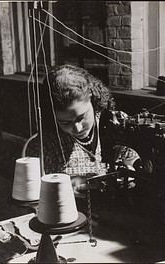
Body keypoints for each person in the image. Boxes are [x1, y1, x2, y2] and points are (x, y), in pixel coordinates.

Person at [28, 64, 138, 202]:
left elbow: (132, 158)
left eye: (81, 117)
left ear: (92, 98)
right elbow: (34, 194)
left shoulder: (116, 123)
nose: (78, 128)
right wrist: (62, 188)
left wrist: (133, 168)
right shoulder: (43, 146)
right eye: (65, 123)